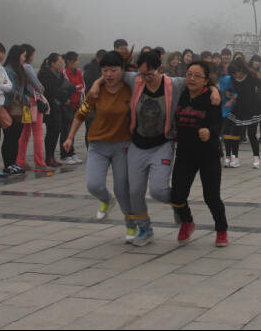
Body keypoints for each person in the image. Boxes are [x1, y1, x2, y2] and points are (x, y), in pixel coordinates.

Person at [88, 51, 219, 246]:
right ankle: (145, 228)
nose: (146, 78)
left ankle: (179, 206)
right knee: (135, 192)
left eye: (150, 73)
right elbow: (112, 74)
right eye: (142, 74)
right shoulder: (135, 80)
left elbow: (198, 81)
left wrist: (214, 90)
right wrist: (96, 83)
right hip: (137, 145)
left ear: (160, 69)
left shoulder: (174, 84)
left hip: (162, 144)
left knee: (158, 190)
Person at [62, 52, 136, 243]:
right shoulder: (96, 91)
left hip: (122, 145)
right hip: (97, 144)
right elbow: (81, 113)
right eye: (105, 70)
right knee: (93, 185)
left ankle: (131, 226)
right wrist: (70, 137)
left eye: (113, 70)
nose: (109, 74)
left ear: (123, 70)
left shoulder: (131, 87)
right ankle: (106, 200)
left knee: (122, 190)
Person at [170, 60, 229, 247]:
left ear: (205, 80)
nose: (192, 79)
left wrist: (210, 132)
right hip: (185, 154)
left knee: (211, 197)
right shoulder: (179, 94)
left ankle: (221, 230)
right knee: (177, 194)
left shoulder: (212, 98)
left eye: (197, 76)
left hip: (208, 155)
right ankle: (187, 221)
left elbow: (218, 123)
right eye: (189, 74)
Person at [224, 57, 261, 169]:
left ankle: (256, 157)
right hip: (240, 107)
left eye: (234, 74)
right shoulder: (233, 78)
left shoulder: (251, 77)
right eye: (231, 74)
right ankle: (234, 157)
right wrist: (227, 91)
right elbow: (229, 86)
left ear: (241, 70)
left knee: (251, 134)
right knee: (235, 133)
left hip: (253, 107)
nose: (233, 76)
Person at [16, 45, 50, 171]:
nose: (31, 58)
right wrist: (41, 88)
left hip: (24, 103)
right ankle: (39, 162)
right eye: (31, 55)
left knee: (24, 134)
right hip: (34, 103)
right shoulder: (27, 67)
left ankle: (20, 160)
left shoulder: (17, 67)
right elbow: (36, 83)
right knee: (37, 133)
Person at [0, 45, 32, 175]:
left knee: (16, 136)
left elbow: (25, 88)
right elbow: (9, 90)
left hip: (19, 108)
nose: (24, 58)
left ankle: (14, 163)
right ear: (16, 56)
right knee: (9, 136)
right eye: (23, 55)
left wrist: (28, 97)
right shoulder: (8, 70)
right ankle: (8, 165)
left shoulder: (20, 69)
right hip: (10, 107)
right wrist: (24, 98)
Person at [38, 53, 72, 169]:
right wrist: (65, 99)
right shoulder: (45, 75)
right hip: (50, 107)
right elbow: (52, 91)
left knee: (57, 131)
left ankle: (52, 156)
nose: (61, 64)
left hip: (59, 107)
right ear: (52, 63)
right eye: (59, 62)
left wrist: (66, 99)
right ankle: (48, 157)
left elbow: (66, 88)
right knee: (51, 132)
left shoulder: (60, 75)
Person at [60, 51, 85, 164]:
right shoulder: (64, 72)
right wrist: (77, 88)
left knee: (72, 130)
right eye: (75, 60)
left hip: (77, 104)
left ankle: (72, 152)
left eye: (78, 60)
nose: (77, 62)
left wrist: (77, 88)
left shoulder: (78, 72)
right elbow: (69, 87)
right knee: (66, 130)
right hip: (67, 105)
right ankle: (65, 155)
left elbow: (83, 86)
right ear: (69, 61)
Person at [81, 49, 107, 146]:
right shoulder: (89, 71)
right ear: (97, 58)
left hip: (103, 104)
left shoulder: (106, 70)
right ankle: (90, 149)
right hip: (91, 104)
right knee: (90, 128)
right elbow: (86, 88)